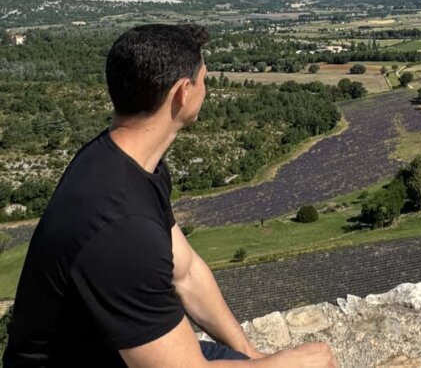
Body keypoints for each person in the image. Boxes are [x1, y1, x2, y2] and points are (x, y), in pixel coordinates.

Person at [2, 24, 337, 368]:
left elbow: (187, 272)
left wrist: (251, 355)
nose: (206, 88)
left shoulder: (123, 162)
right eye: (203, 79)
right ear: (183, 92)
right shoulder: (121, 227)